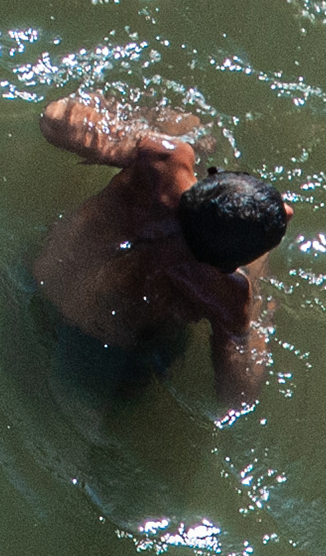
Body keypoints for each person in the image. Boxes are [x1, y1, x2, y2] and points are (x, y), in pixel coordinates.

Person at [30, 91, 287, 406]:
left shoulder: (163, 162)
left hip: (42, 285)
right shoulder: (227, 293)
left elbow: (54, 117)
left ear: (210, 180)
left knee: (186, 123)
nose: (287, 211)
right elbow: (239, 394)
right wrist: (258, 313)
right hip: (110, 352)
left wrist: (133, 137)